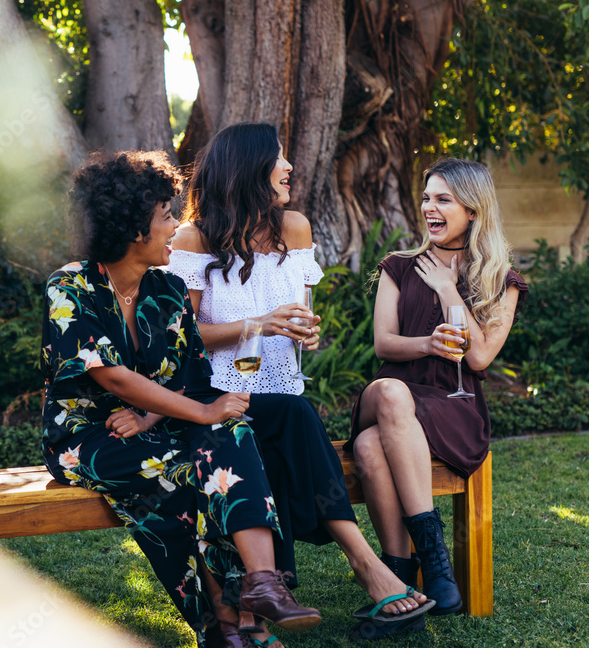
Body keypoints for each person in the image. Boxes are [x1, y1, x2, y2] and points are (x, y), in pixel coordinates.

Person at [42, 151, 322, 648]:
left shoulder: (167, 289)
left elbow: (185, 374)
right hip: (86, 437)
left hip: (153, 423)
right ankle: (222, 624)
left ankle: (262, 583)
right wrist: (201, 412)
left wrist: (153, 418)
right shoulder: (72, 287)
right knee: (182, 478)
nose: (177, 224)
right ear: (132, 229)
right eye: (166, 215)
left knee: (230, 430)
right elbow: (114, 378)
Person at [168, 122, 431, 640]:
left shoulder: (296, 229)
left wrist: (305, 331)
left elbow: (303, 317)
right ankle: (367, 566)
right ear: (247, 168)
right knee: (291, 421)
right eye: (278, 158)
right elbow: (182, 342)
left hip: (278, 392)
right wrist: (259, 323)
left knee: (290, 418)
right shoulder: (192, 239)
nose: (289, 167)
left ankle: (280, 591)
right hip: (211, 397)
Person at [345, 158, 528, 616]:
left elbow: (481, 356)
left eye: (443, 199)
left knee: (369, 447)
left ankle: (400, 578)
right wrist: (427, 343)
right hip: (395, 388)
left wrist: (449, 290)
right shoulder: (400, 266)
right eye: (427, 197)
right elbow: (383, 342)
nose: (430, 206)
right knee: (390, 392)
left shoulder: (501, 280)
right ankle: (437, 563)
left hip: (453, 404)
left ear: (472, 208)